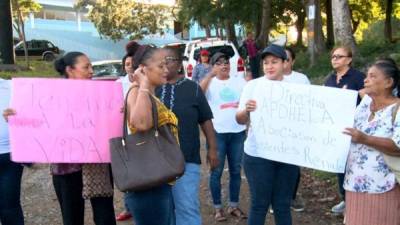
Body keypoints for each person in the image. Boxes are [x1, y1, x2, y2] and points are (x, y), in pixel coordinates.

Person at [4, 52, 117, 225]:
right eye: (86, 67)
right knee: (71, 217)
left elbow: (112, 121)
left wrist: (120, 111)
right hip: (66, 167)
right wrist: (16, 117)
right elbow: (38, 122)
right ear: (70, 70)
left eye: (91, 67)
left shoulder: (102, 95)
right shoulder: (49, 95)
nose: (91, 71)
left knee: (105, 216)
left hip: (98, 164)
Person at [236, 44, 301, 225]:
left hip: (287, 155)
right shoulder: (253, 86)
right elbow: (239, 119)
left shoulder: (297, 89)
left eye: (274, 62)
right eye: (266, 63)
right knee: (259, 204)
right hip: (258, 155)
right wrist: (247, 111)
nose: (270, 66)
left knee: (282, 204)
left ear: (285, 63)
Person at [155, 47, 219, 225]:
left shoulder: (193, 89)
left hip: (187, 159)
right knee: (164, 209)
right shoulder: (152, 89)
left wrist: (213, 150)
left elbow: (206, 120)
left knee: (186, 207)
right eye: (160, 61)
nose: (164, 65)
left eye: (169, 60)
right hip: (157, 161)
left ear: (179, 64)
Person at [342, 60, 400, 225]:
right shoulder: (366, 103)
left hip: (383, 184)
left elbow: (398, 147)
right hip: (354, 181)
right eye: (366, 76)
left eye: (372, 76)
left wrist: (365, 139)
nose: (366, 80)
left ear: (389, 82)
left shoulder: (397, 109)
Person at [125, 45, 176, 225]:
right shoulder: (136, 91)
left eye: (166, 65)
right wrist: (144, 84)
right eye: (161, 66)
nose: (166, 70)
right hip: (149, 183)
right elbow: (141, 124)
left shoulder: (149, 93)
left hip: (158, 177)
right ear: (144, 70)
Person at [200, 52, 247, 222]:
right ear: (213, 66)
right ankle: (218, 208)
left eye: (226, 62)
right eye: (218, 63)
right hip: (217, 133)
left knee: (235, 170)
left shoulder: (239, 81)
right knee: (216, 171)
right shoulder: (210, 82)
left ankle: (233, 205)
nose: (224, 65)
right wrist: (210, 75)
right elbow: (199, 93)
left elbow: (248, 97)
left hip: (238, 132)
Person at [325, 46, 365, 214]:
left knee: (354, 165)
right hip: (335, 130)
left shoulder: (358, 77)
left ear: (349, 59)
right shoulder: (330, 79)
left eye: (339, 56)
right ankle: (345, 199)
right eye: (333, 56)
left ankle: (357, 202)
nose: (335, 59)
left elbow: (367, 101)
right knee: (339, 164)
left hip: (354, 129)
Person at [283, 47, 310, 212]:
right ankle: (277, 198)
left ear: (293, 61)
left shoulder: (302, 79)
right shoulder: (269, 80)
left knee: (293, 166)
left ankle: (291, 196)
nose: (284, 62)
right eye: (281, 59)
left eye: (287, 59)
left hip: (296, 131)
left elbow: (310, 101)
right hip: (275, 132)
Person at [1, 78, 25, 225]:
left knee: (9, 207)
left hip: (9, 156)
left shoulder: (13, 86)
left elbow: (32, 112)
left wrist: (17, 116)